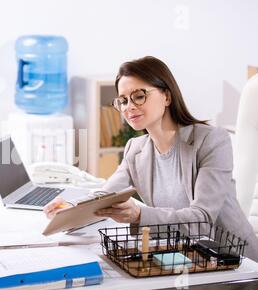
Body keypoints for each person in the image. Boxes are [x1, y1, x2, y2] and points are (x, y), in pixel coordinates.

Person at [44, 56, 258, 262]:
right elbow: (104, 196)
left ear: (167, 96)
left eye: (139, 96)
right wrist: (70, 207)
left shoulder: (211, 141)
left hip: (234, 262)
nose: (129, 107)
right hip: (182, 256)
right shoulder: (135, 149)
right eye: (123, 100)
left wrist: (139, 214)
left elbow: (201, 221)